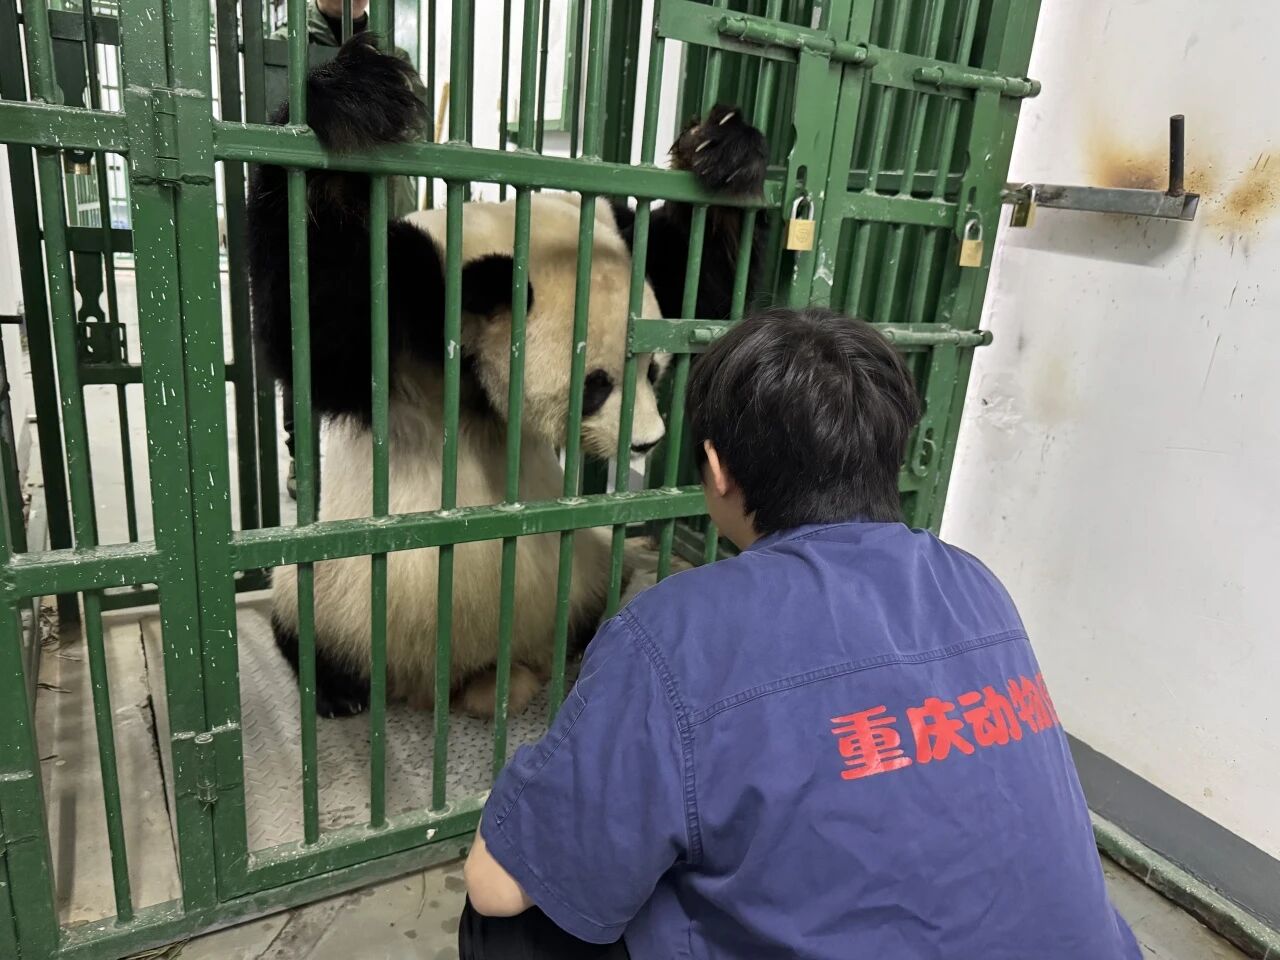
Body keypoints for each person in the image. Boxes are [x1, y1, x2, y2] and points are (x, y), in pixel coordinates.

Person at [459, 307, 1142, 960]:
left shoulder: (678, 630)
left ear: (716, 468)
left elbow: (496, 887)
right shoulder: (974, 584)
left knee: (510, 921)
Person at [270, 0, 418, 499]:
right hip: (310, 222)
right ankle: (304, 458)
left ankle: (376, 458)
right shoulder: (283, 47)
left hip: (384, 219)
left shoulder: (393, 54)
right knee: (305, 341)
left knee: (381, 341)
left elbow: (407, 142)